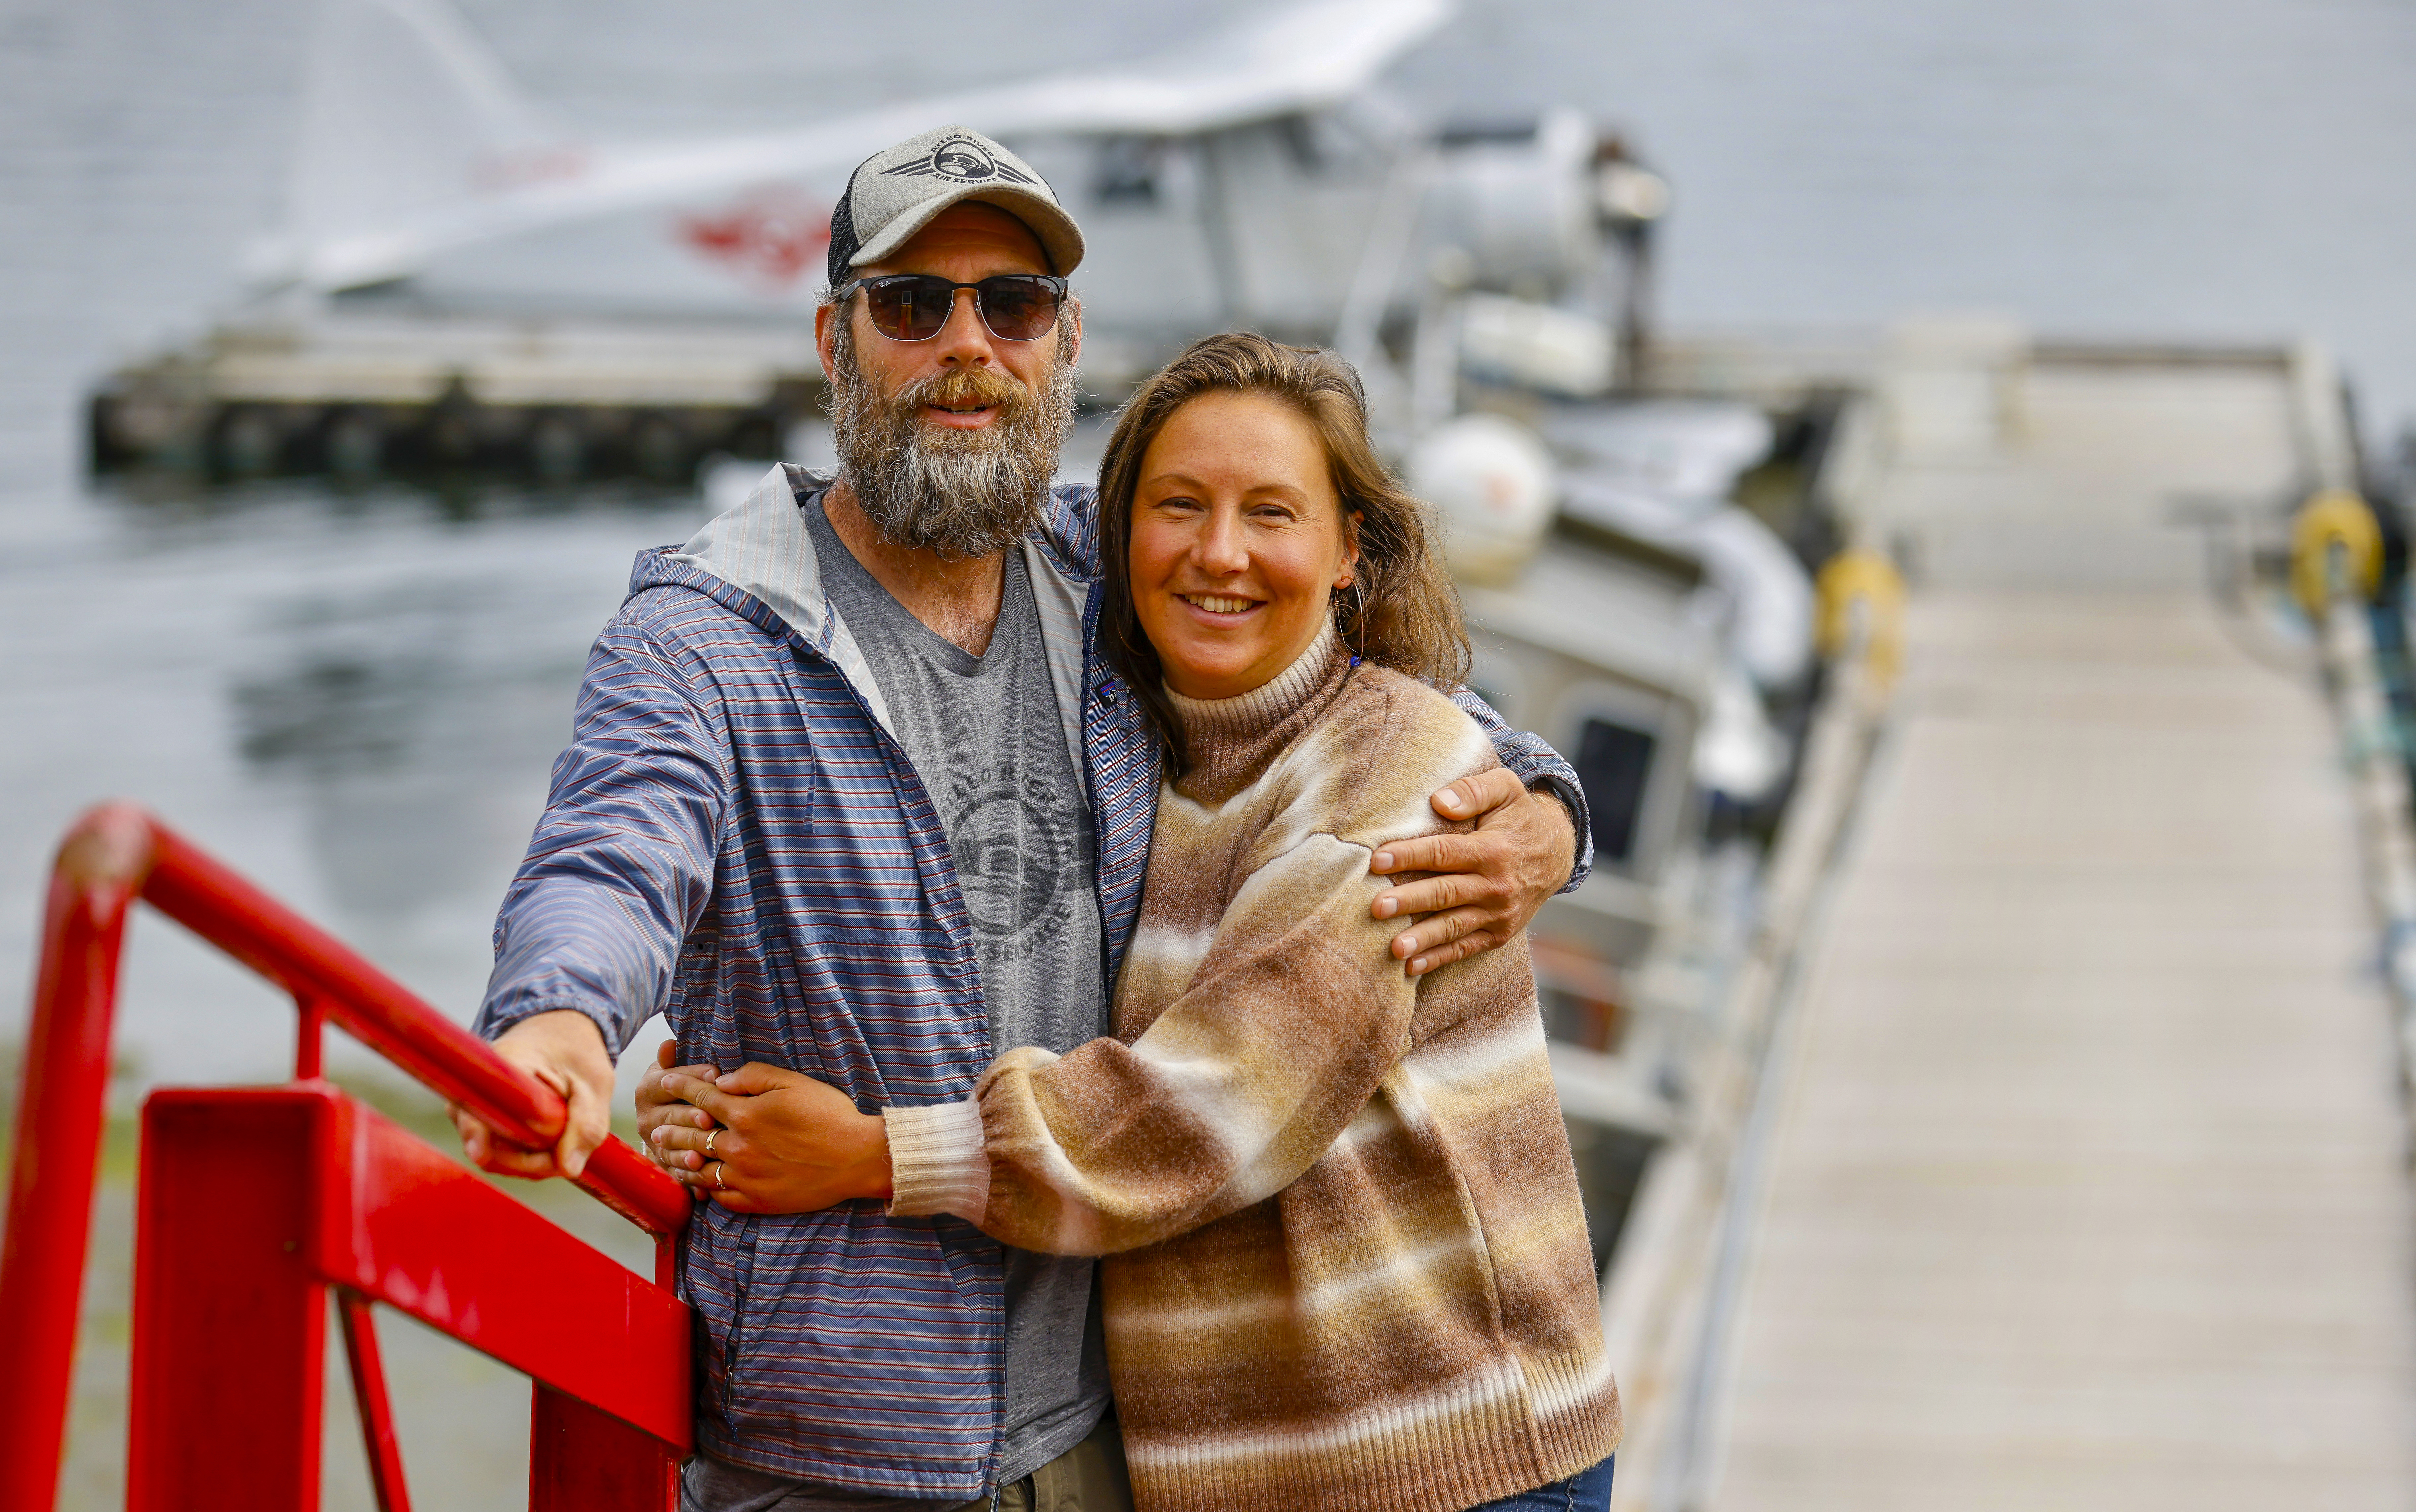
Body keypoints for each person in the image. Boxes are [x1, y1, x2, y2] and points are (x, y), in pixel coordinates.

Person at [451, 125, 1593, 1511]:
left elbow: (1345, 693)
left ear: (1062, 340)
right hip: (835, 1436)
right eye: (913, 304)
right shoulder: (707, 643)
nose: (967, 344)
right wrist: (560, 1023)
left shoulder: (1102, 574)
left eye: (1014, 302)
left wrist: (1542, 810)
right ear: (833, 339)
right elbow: (610, 849)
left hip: (1111, 1437)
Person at [654, 333, 1619, 1512]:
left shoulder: (1389, 780)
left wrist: (867, 1152)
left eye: (1271, 513)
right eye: (1178, 506)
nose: (1220, 553)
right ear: (1118, 543)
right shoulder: (1137, 752)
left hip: (1438, 1456)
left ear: (1344, 554)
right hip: (1269, 1464)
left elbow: (1212, 1105)